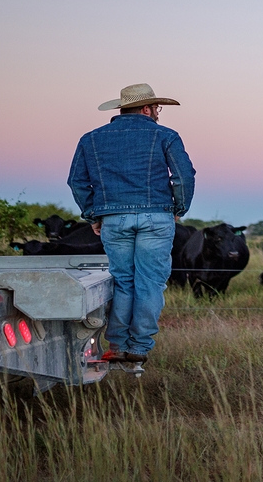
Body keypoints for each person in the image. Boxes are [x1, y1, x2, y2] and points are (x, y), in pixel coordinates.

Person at [67, 83, 196, 364]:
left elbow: (76, 181)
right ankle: (139, 347)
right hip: (156, 216)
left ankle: (117, 344)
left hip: (113, 219)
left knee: (123, 282)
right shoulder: (166, 136)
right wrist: (178, 209)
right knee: (150, 283)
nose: (158, 113)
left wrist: (93, 214)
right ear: (147, 108)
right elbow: (184, 176)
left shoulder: (91, 139)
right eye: (157, 108)